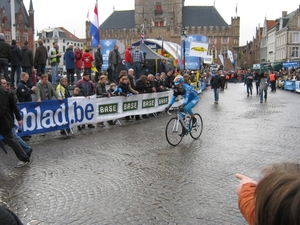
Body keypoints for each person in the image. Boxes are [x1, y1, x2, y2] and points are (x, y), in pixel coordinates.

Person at [236, 163, 300, 225]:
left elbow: (255, 212)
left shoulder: (263, 218)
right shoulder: (267, 218)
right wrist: (246, 186)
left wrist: (246, 186)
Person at [1, 78, 33, 159]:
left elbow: (14, 108)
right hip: (6, 119)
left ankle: (25, 153)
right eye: (3, 83)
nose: (5, 85)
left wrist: (19, 118)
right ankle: (26, 150)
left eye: (6, 83)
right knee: (13, 138)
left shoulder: (9, 94)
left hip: (7, 120)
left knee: (13, 138)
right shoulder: (5, 94)